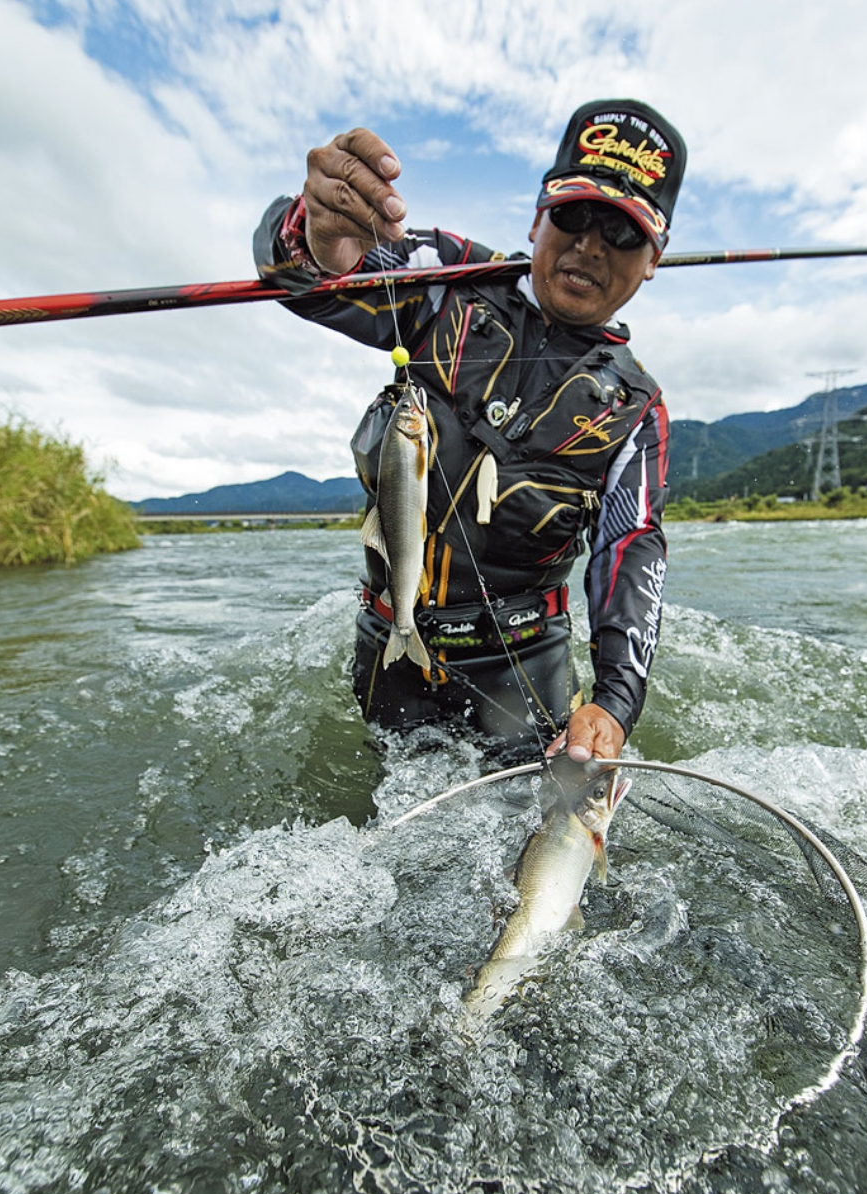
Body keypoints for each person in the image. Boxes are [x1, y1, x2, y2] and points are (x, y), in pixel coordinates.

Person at [254, 99, 686, 764]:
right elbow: (308, 280)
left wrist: (615, 702)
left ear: (653, 259)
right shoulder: (448, 276)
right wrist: (316, 236)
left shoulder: (637, 408)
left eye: (624, 233)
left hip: (524, 673)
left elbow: (632, 549)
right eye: (574, 214)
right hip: (389, 647)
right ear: (540, 217)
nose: (590, 244)